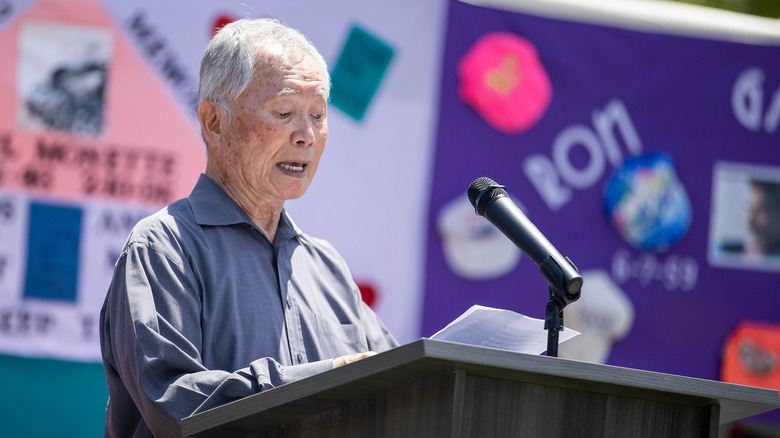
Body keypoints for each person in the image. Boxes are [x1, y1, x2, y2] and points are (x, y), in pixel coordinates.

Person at [99, 18, 398, 437]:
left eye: (318, 114)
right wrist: (321, 382)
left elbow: (405, 384)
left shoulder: (327, 268)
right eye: (284, 112)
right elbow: (176, 408)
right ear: (214, 123)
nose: (306, 136)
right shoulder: (163, 248)